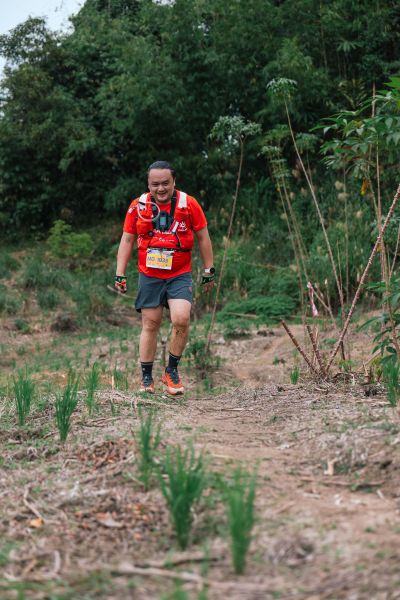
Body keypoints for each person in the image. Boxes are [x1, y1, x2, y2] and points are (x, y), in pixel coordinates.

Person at [114, 161, 215, 395]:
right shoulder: (138, 206)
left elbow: (203, 237)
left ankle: (171, 371)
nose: (161, 188)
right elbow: (127, 240)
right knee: (150, 324)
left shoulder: (188, 204)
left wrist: (209, 271)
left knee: (181, 318)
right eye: (155, 184)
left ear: (174, 182)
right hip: (150, 274)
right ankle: (146, 378)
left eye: (165, 183)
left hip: (179, 273)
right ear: (148, 184)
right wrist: (120, 273)